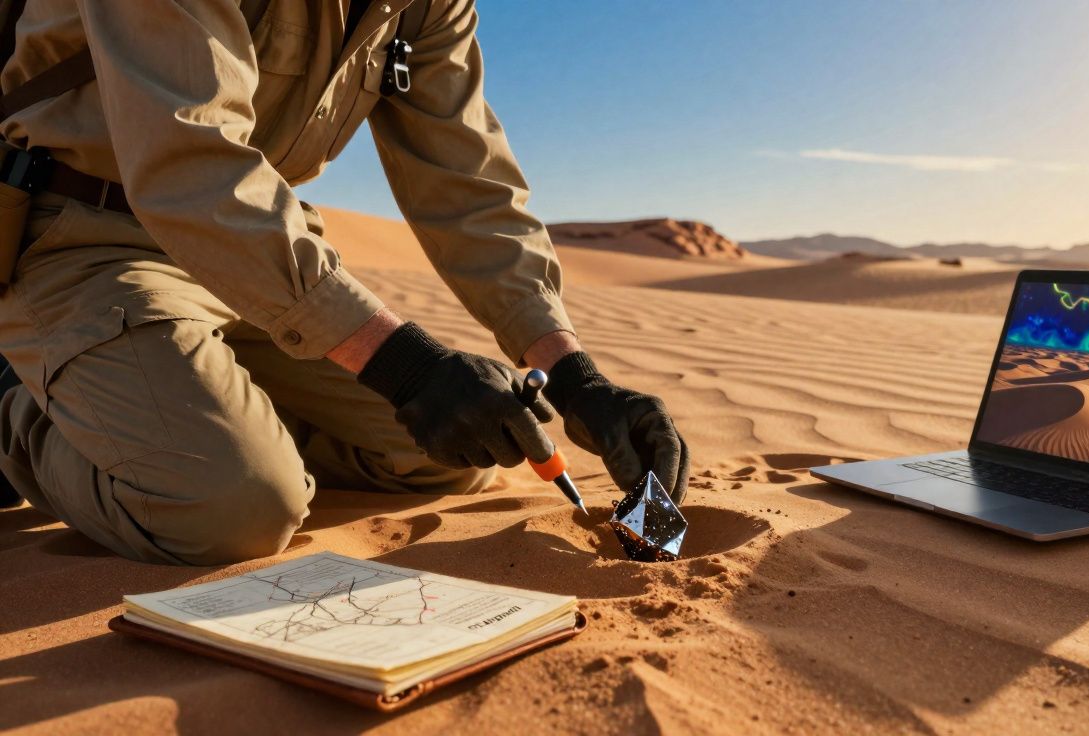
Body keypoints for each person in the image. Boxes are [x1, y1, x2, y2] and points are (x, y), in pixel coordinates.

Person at [0, 0, 689, 564]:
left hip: (264, 255)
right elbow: (189, 164)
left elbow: (470, 186)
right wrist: (408, 369)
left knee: (449, 457)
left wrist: (572, 374)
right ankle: (16, 409)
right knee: (232, 510)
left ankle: (199, 413)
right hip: (81, 233)